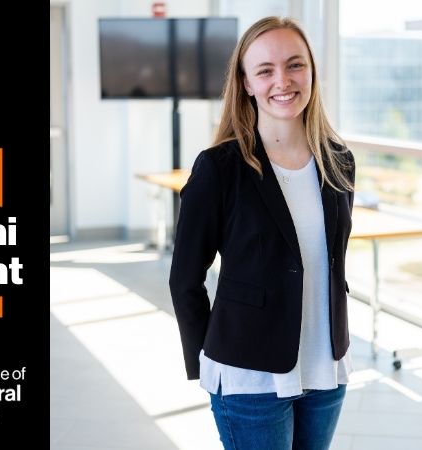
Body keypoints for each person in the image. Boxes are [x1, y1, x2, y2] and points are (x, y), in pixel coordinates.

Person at [169, 16, 355, 450]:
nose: (283, 81)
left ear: (311, 71)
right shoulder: (220, 168)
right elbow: (184, 279)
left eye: (295, 65)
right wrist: (208, 359)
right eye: (265, 70)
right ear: (247, 83)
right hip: (248, 375)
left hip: (325, 367)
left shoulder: (339, 161)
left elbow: (327, 260)